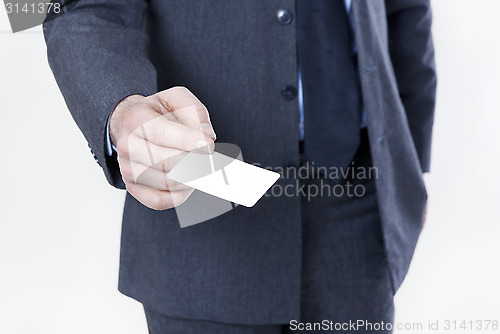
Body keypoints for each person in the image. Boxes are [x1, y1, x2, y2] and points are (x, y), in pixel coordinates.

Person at [44, 0, 436, 332]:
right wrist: (123, 108)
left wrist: (411, 166)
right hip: (204, 198)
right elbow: (77, 7)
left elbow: (407, 11)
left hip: (361, 200)